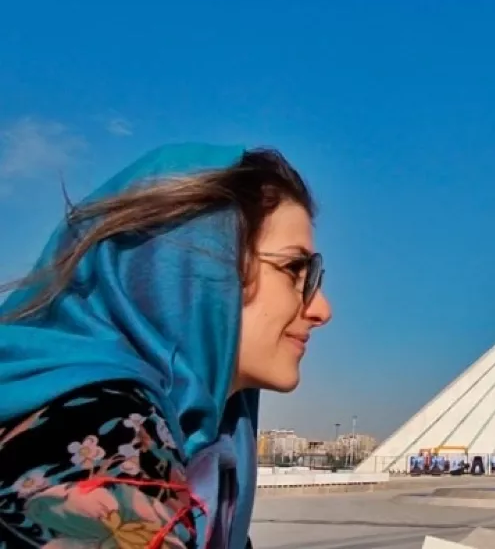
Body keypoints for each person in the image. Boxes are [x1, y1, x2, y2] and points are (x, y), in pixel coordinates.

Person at [0, 144, 332, 547]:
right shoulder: (101, 433)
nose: (321, 309)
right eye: (294, 269)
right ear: (195, 275)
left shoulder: (214, 446)